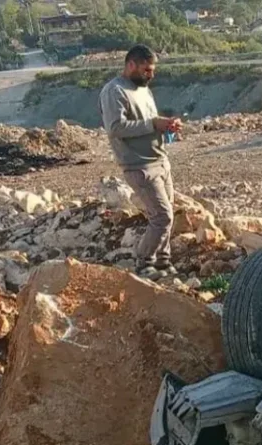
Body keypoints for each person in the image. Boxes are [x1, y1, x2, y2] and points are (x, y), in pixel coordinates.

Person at [98, 45, 181, 279]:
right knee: (161, 217)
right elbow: (115, 128)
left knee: (168, 215)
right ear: (131, 65)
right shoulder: (113, 91)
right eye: (146, 70)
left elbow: (149, 123)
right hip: (139, 166)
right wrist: (154, 124)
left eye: (152, 70)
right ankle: (144, 261)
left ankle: (163, 261)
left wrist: (167, 128)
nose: (150, 75)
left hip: (160, 160)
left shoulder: (144, 90)